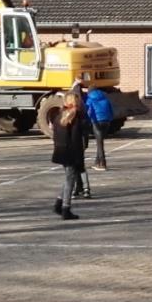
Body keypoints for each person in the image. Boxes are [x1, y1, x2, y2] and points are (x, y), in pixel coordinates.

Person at [51, 92, 86, 220]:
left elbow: (55, 136)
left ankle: (59, 204)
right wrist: (79, 158)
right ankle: (66, 208)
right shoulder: (75, 118)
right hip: (71, 152)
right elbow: (76, 139)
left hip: (61, 151)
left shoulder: (58, 115)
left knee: (68, 179)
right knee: (70, 181)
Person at [86, 85, 113, 171]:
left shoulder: (90, 99)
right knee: (100, 142)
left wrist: (88, 121)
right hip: (107, 121)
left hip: (97, 121)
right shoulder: (105, 98)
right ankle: (97, 162)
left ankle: (102, 163)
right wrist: (110, 119)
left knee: (99, 144)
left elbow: (89, 111)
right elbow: (111, 109)